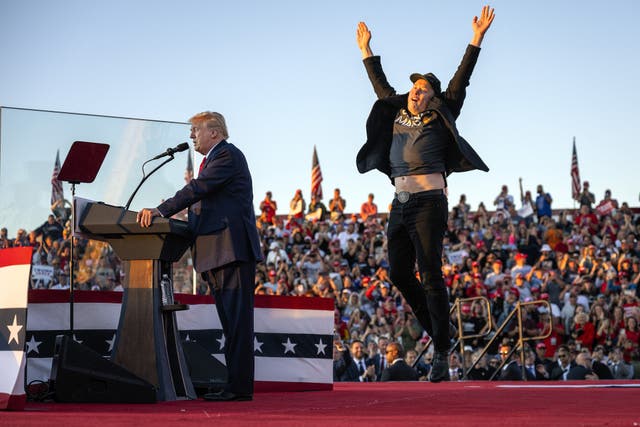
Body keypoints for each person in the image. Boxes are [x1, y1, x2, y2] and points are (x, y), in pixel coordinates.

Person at [355, 5, 495, 382]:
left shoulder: (442, 111)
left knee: (431, 273)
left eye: (424, 89)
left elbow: (461, 79)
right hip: (399, 204)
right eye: (415, 87)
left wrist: (476, 38)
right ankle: (440, 333)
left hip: (430, 202)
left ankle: (441, 354)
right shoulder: (397, 108)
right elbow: (380, 85)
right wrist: (366, 50)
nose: (417, 92)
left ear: (432, 96)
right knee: (399, 273)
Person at [136, 111, 262, 401]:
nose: (191, 135)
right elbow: (203, 200)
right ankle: (235, 385)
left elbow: (198, 189)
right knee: (231, 323)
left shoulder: (227, 156)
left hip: (231, 251)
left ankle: (239, 388)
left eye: (196, 130)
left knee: (237, 324)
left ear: (214, 132)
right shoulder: (214, 159)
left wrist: (162, 210)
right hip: (217, 251)